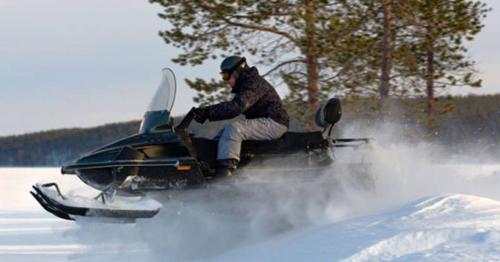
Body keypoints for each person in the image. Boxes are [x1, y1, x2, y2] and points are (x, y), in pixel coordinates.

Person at [192, 56, 289, 177]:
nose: (225, 80)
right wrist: (206, 112)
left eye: (226, 76)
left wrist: (208, 112)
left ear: (237, 71)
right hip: (267, 122)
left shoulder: (254, 83)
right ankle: (208, 167)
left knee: (234, 130)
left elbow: (237, 107)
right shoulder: (246, 84)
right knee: (223, 134)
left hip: (275, 122)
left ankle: (225, 173)